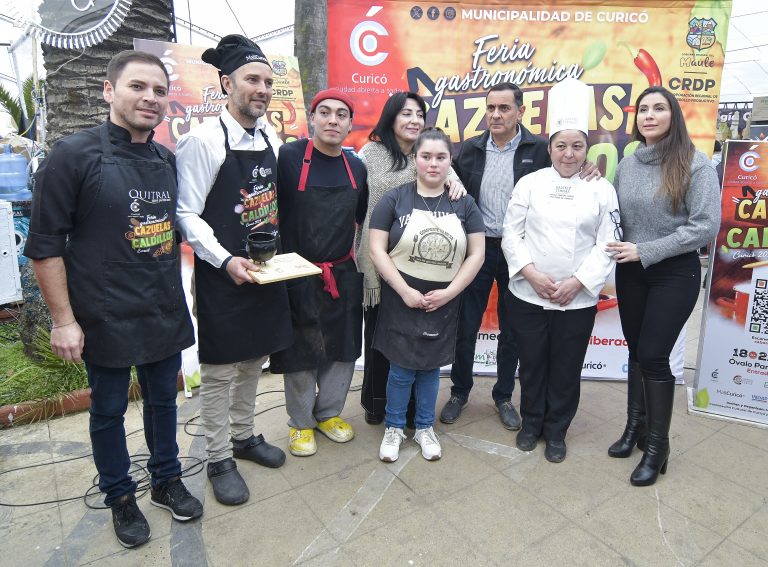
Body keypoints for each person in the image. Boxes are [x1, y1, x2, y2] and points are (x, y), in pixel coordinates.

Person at [24, 50, 202, 548]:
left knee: (164, 402)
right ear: (109, 90)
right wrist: (64, 321)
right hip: (103, 311)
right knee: (107, 410)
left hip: (161, 305)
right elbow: (44, 245)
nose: (150, 98)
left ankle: (166, 479)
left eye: (159, 91)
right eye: (137, 87)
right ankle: (120, 495)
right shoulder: (73, 154)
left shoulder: (165, 158)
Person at [176, 35, 291, 506]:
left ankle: (244, 436)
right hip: (222, 271)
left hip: (264, 269)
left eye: (267, 81)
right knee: (221, 370)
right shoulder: (203, 141)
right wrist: (225, 259)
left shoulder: (271, 138)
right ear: (227, 84)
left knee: (254, 359)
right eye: (251, 80)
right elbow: (186, 214)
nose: (262, 89)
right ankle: (219, 457)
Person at [606, 86, 720, 486]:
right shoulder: (629, 163)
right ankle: (634, 429)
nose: (649, 115)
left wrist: (647, 250)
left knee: (655, 355)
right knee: (637, 351)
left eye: (659, 108)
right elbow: (615, 210)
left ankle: (658, 447)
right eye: (643, 110)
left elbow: (705, 226)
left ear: (674, 116)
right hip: (632, 271)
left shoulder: (695, 163)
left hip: (676, 272)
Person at [501, 78, 618, 463]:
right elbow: (511, 234)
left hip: (577, 300)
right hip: (528, 294)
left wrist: (579, 283)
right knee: (532, 364)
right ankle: (531, 423)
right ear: (549, 147)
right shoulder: (530, 184)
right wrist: (531, 273)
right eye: (561, 145)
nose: (569, 154)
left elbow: (608, 241)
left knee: (566, 368)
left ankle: (556, 432)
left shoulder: (602, 189)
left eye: (577, 146)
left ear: (588, 148)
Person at [369, 127, 485, 461]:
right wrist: (403, 290)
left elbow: (476, 253)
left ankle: (423, 427)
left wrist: (449, 293)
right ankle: (393, 427)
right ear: (415, 159)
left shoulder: (463, 203)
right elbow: (377, 249)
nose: (433, 164)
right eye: (426, 157)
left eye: (441, 157)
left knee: (431, 368)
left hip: (444, 299)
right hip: (401, 296)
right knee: (401, 368)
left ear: (450, 161)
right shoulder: (394, 198)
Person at [356, 92, 465, 425]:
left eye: (419, 114)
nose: (414, 120)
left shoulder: (428, 156)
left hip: (421, 268)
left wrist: (455, 181)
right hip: (379, 265)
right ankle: (379, 406)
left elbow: (452, 183)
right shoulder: (369, 154)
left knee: (416, 343)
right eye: (406, 113)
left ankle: (414, 411)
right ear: (391, 117)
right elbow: (357, 202)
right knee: (379, 341)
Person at [269, 89, 368, 457]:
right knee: (300, 351)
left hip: (341, 270)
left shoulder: (356, 167)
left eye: (341, 115)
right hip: (295, 271)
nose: (332, 120)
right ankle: (300, 422)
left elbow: (362, 216)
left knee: (342, 349)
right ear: (312, 118)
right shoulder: (289, 157)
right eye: (324, 112)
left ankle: (328, 414)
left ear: (349, 124)